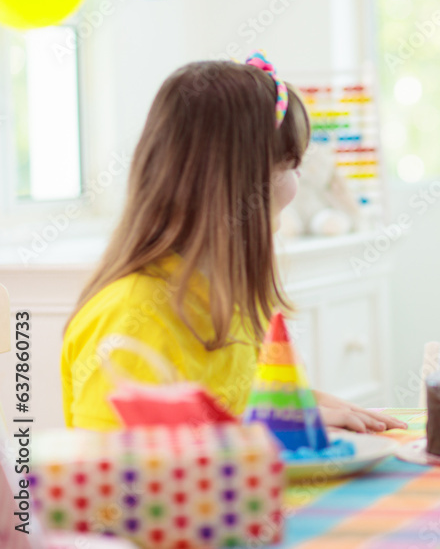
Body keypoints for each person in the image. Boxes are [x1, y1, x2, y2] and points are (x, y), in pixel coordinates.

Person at [61, 55, 405, 434]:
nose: (299, 182)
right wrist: (273, 428)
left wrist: (299, 403)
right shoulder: (131, 316)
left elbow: (227, 410)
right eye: (291, 164)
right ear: (240, 183)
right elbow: (115, 475)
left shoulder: (225, 299)